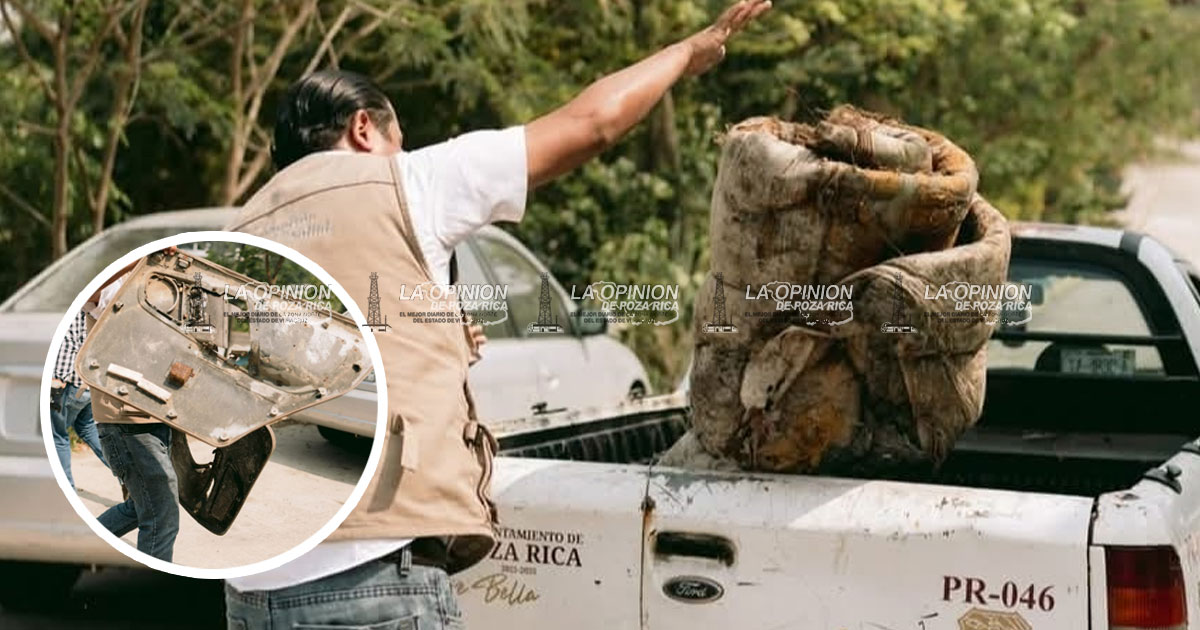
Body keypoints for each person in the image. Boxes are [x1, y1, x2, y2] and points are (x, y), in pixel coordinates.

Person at [223, 2, 771, 628]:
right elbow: (591, 124)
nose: (406, 151)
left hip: (252, 587)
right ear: (364, 129)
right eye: (399, 140)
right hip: (368, 575)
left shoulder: (243, 228)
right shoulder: (411, 182)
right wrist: (685, 54)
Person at [86, 256, 180, 562]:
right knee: (162, 518)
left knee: (142, 507)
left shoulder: (160, 285)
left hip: (153, 414)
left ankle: (77, 549)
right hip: (125, 420)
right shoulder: (114, 285)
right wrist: (138, 258)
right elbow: (89, 291)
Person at [49, 310, 108, 489]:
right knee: (87, 427)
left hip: (68, 384)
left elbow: (66, 344)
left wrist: (56, 378)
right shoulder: (97, 310)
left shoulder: (75, 311)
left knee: (56, 437)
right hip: (89, 385)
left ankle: (66, 490)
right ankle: (130, 477)